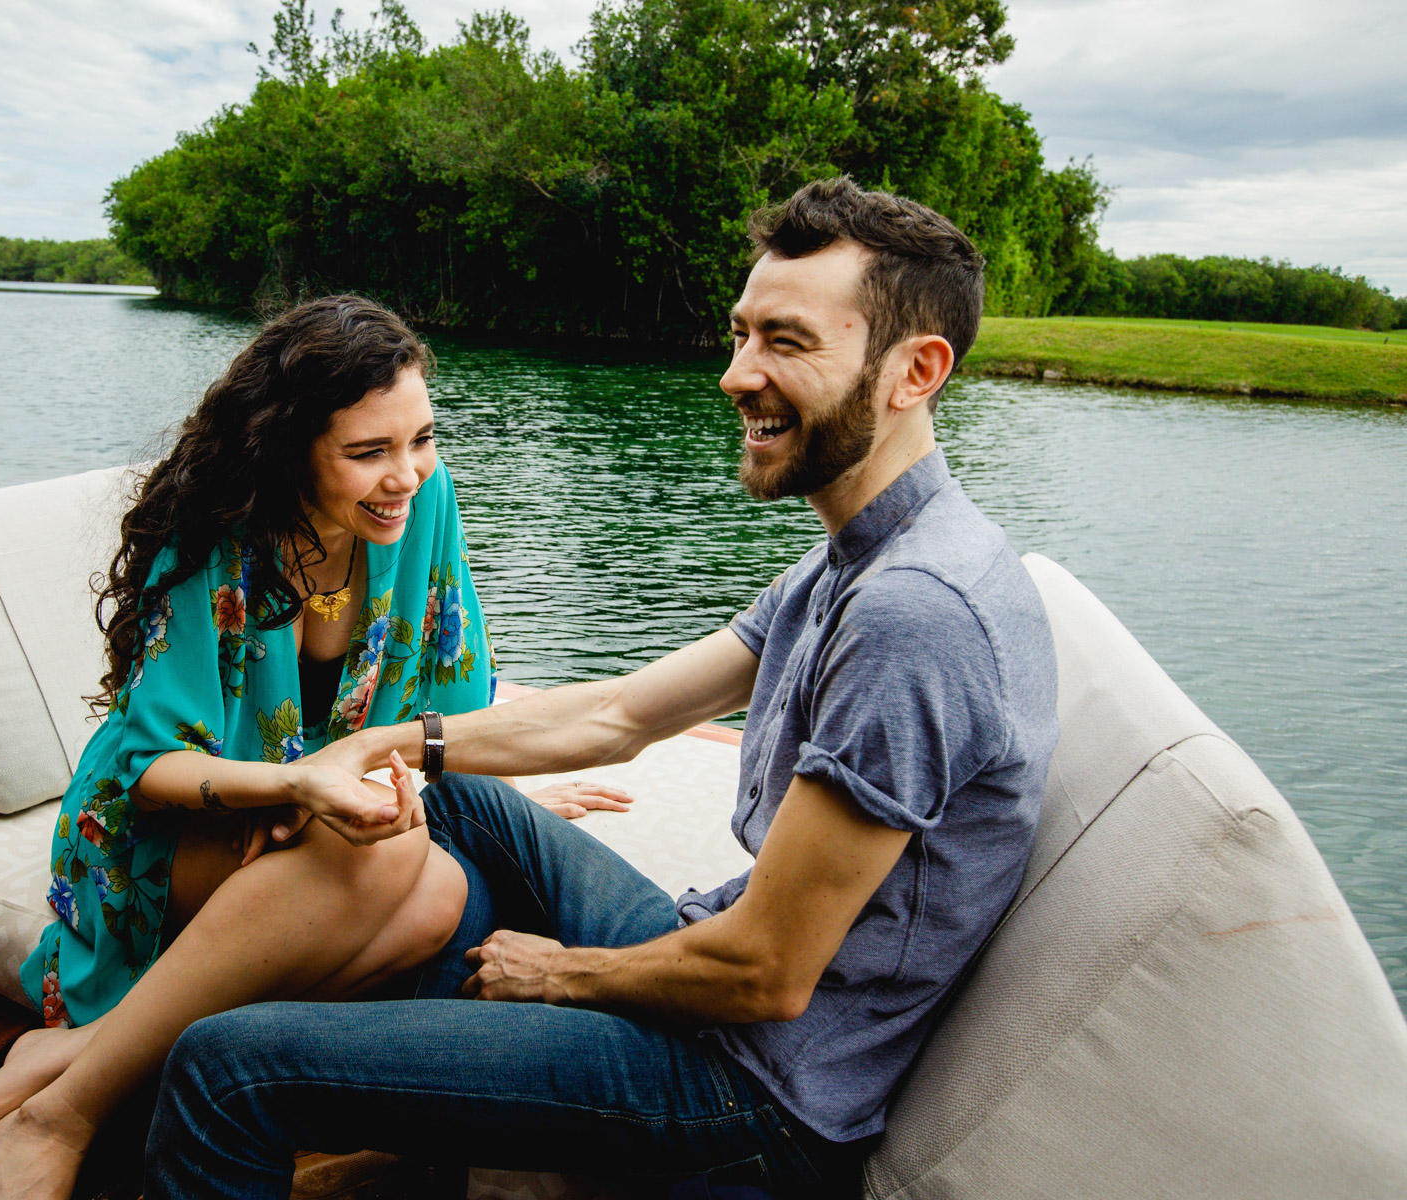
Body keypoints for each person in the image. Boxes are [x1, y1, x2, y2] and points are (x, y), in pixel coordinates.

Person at [139, 177, 1062, 1199]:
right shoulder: (860, 555)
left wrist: (561, 975)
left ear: (913, 371)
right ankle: (426, 1137)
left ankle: (341, 1105)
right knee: (464, 802)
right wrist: (374, 749)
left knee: (226, 1072)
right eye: (741, 332)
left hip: (757, 1089)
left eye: (785, 343)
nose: (734, 375)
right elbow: (624, 714)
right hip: (721, 979)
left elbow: (768, 972)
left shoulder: (914, 613)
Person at [0, 295, 632, 1200]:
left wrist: (494, 804)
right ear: (290, 448)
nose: (406, 475)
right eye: (368, 452)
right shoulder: (218, 530)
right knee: (406, 861)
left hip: (315, 818)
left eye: (421, 439)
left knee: (437, 891)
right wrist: (287, 789)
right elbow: (150, 766)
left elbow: (449, 703)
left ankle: (46, 1070)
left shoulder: (425, 502)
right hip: (160, 826)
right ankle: (59, 1122)